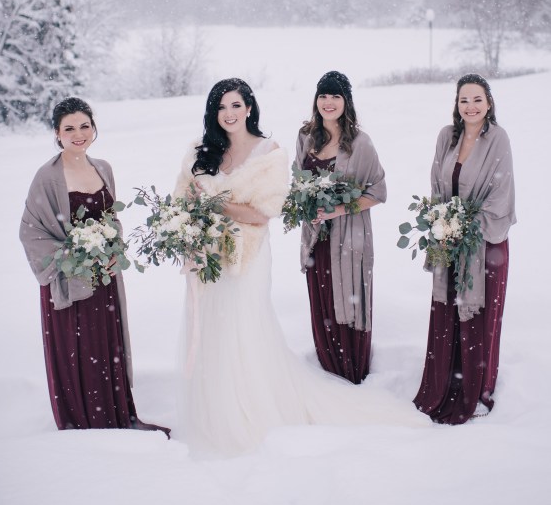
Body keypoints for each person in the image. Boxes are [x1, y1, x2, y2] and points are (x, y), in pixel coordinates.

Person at [173, 78, 423, 456]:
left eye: (236, 105)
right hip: (210, 256)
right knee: (212, 325)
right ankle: (215, 409)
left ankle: (251, 409)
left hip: (249, 257)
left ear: (249, 108)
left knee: (243, 326)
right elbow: (182, 198)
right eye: (222, 106)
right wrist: (187, 228)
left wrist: (214, 205)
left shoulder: (267, 152)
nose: (229, 113)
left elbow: (263, 212)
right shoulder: (200, 151)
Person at [19, 97, 170, 436]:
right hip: (70, 282)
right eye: (69, 128)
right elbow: (31, 232)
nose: (78, 134)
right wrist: (73, 260)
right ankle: (87, 423)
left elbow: (110, 219)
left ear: (94, 128)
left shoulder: (102, 167)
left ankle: (116, 416)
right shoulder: (47, 177)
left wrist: (115, 249)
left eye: (84, 126)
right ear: (57, 134)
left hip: (104, 278)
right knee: (79, 350)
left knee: (105, 346)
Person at [413, 74, 516, 424]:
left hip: (485, 246)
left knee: (477, 317)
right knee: (446, 311)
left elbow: (500, 197)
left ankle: (475, 389)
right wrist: (441, 221)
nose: (470, 107)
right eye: (463, 100)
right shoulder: (448, 136)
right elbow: (436, 183)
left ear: (489, 103)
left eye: (477, 99)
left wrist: (466, 226)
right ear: (456, 105)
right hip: (448, 239)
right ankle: (442, 384)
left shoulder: (498, 139)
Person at [294, 71, 387, 383]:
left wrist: (336, 210)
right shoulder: (305, 137)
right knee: (322, 306)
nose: (328, 102)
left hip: (350, 239)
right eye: (323, 95)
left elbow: (377, 192)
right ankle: (327, 374)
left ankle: (351, 374)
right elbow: (298, 182)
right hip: (315, 240)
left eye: (335, 96)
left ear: (346, 101)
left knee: (347, 302)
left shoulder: (360, 144)